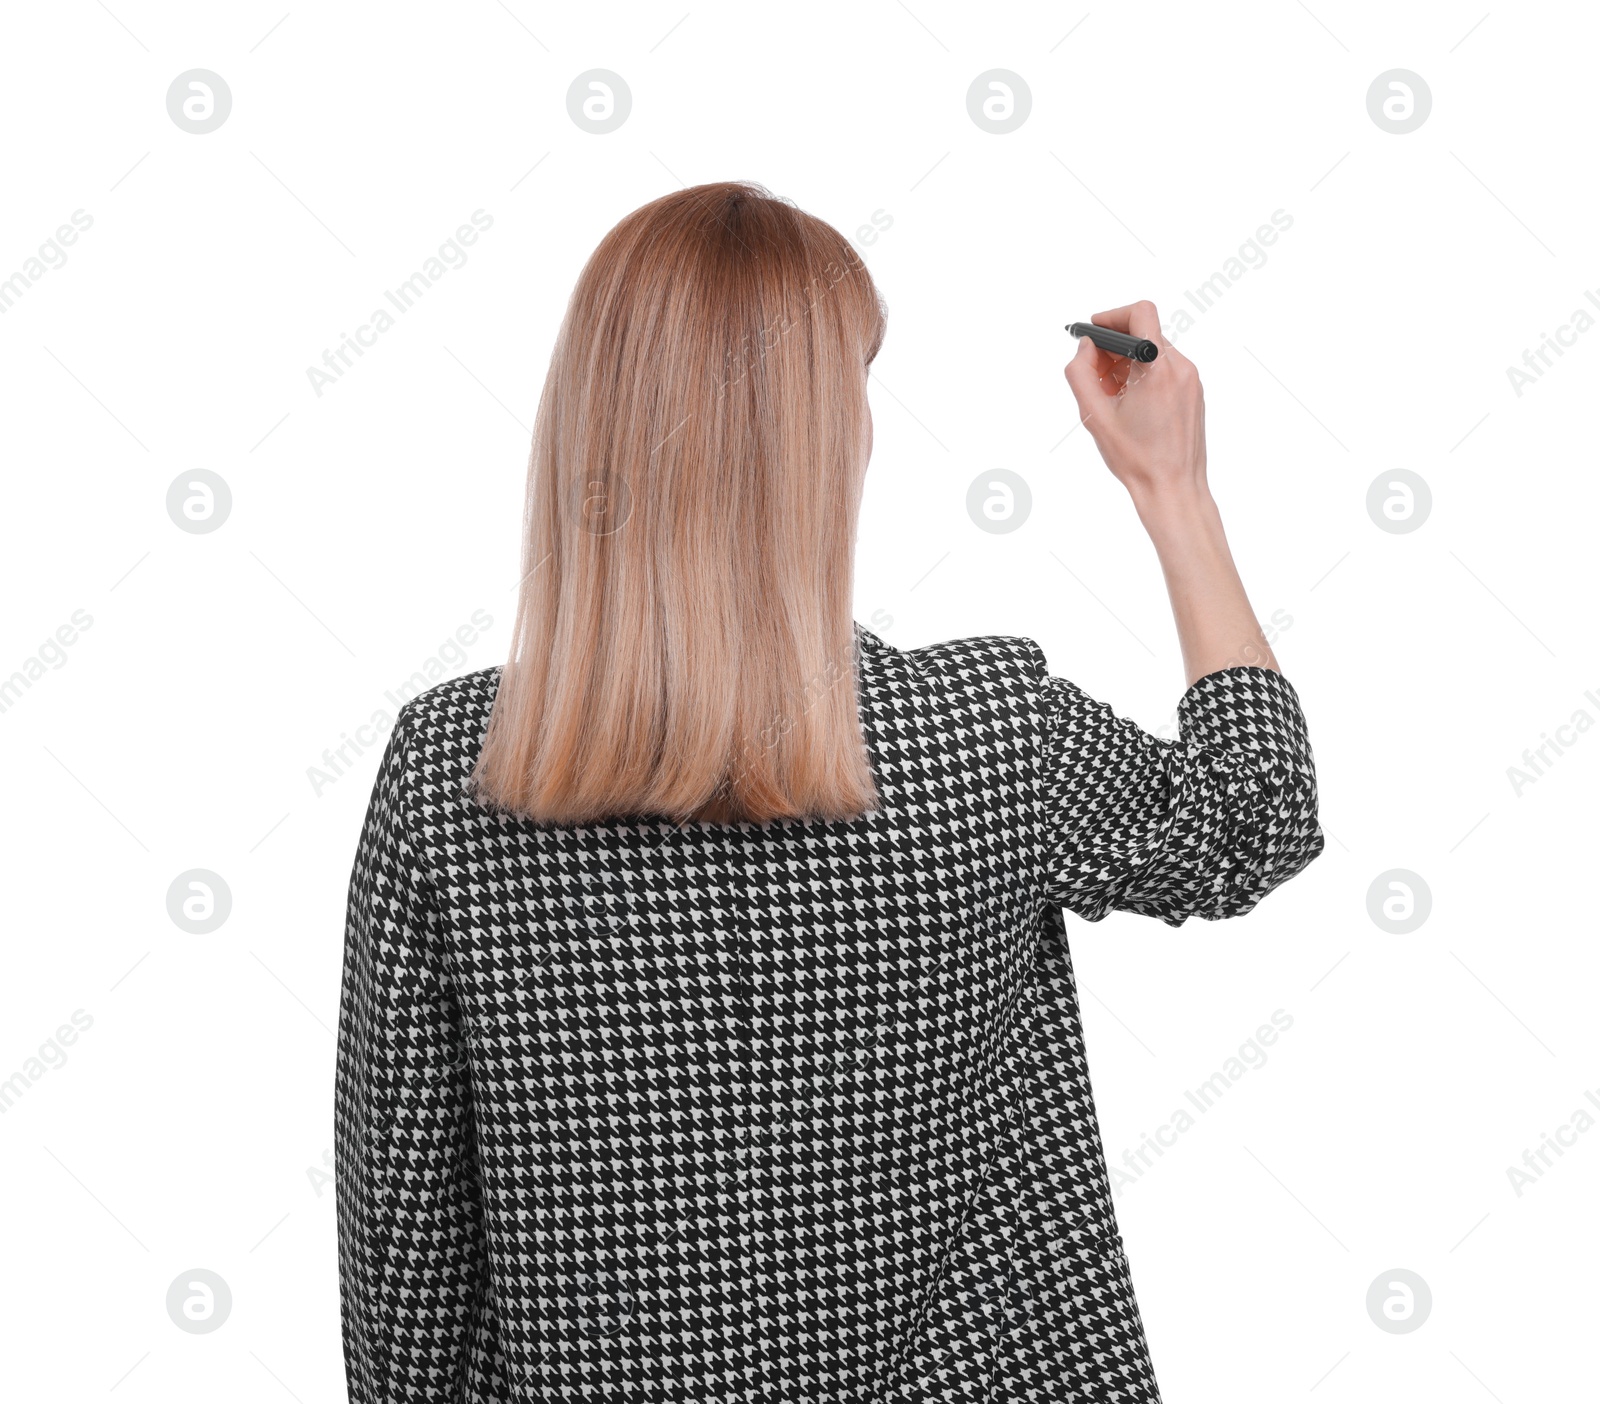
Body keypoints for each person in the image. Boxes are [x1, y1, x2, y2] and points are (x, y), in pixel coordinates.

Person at [334, 180, 1323, 1402]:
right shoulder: (983, 735)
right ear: (821, 437)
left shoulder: (454, 771)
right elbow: (1253, 815)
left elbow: (407, 1252)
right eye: (856, 384)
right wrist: (1173, 488)